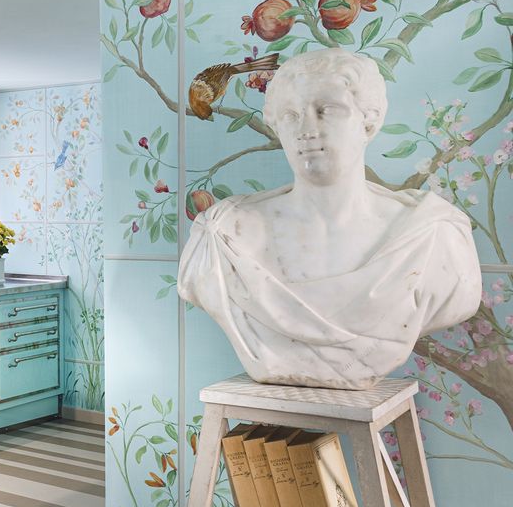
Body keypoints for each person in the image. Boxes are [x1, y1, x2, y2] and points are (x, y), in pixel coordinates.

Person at [177, 48, 481, 390]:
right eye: (291, 115)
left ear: (369, 120)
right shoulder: (222, 237)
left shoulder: (434, 237)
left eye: (327, 110)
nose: (306, 129)